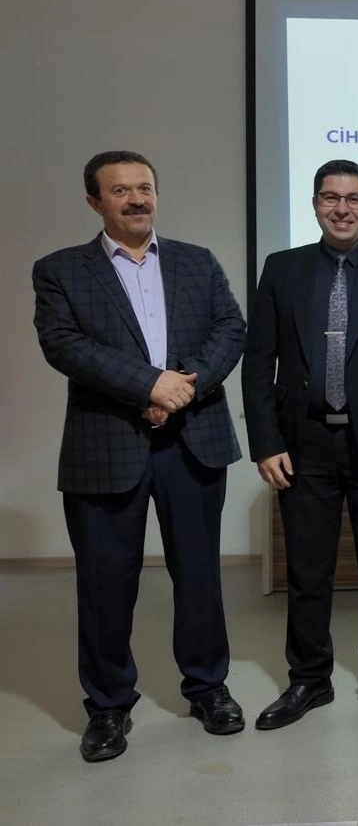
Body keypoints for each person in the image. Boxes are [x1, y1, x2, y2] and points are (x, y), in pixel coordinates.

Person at [32, 150, 247, 762]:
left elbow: (230, 329)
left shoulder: (196, 261)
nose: (136, 199)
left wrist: (181, 390)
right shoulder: (60, 270)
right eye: (120, 190)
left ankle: (208, 687)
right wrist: (149, 387)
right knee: (105, 584)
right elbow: (64, 345)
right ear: (94, 201)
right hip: (105, 446)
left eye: (145, 187)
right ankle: (107, 706)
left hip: (192, 441)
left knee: (200, 575)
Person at [241, 159, 358, 729]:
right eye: (331, 197)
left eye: (354, 199)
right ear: (316, 205)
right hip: (302, 446)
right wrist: (266, 441)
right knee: (307, 571)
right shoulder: (283, 269)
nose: (342, 208)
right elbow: (258, 364)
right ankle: (309, 679)